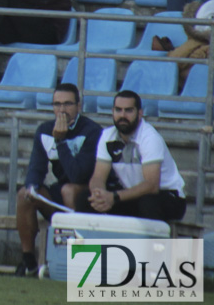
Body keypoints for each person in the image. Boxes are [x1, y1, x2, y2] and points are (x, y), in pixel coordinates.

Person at [15, 82, 102, 277]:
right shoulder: (45, 130)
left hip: (87, 196)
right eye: (57, 104)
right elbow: (36, 168)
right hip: (60, 193)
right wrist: (31, 187)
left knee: (69, 190)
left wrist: (61, 142)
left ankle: (77, 261)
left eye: (67, 104)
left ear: (78, 107)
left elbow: (79, 175)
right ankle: (28, 261)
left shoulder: (92, 131)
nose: (62, 110)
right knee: (24, 194)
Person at [89, 90, 187, 223]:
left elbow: (152, 185)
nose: (122, 115)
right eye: (118, 110)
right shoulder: (107, 136)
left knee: (147, 202)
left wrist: (114, 197)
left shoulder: (150, 137)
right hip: (131, 195)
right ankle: (90, 244)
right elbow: (98, 176)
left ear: (139, 113)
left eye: (128, 110)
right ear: (112, 111)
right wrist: (99, 194)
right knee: (85, 199)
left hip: (169, 196)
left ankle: (157, 244)